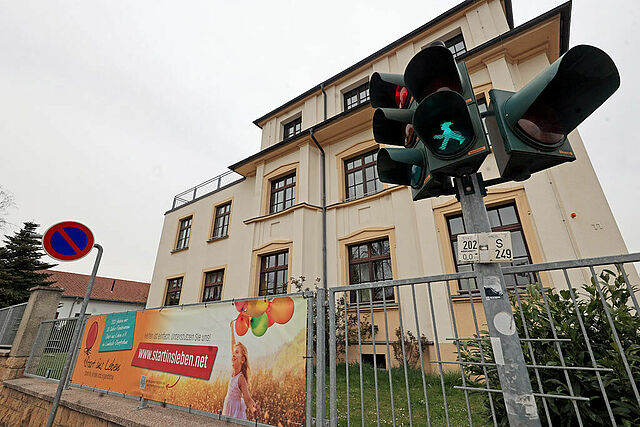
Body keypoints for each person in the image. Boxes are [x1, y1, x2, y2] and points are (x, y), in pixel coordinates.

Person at [222, 320, 257, 420]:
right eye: (233, 353)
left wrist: (253, 409)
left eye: (237, 353)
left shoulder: (240, 379)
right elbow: (233, 344)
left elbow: (248, 399)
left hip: (236, 413)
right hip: (228, 409)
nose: (233, 354)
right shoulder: (233, 372)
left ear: (242, 360)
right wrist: (232, 329)